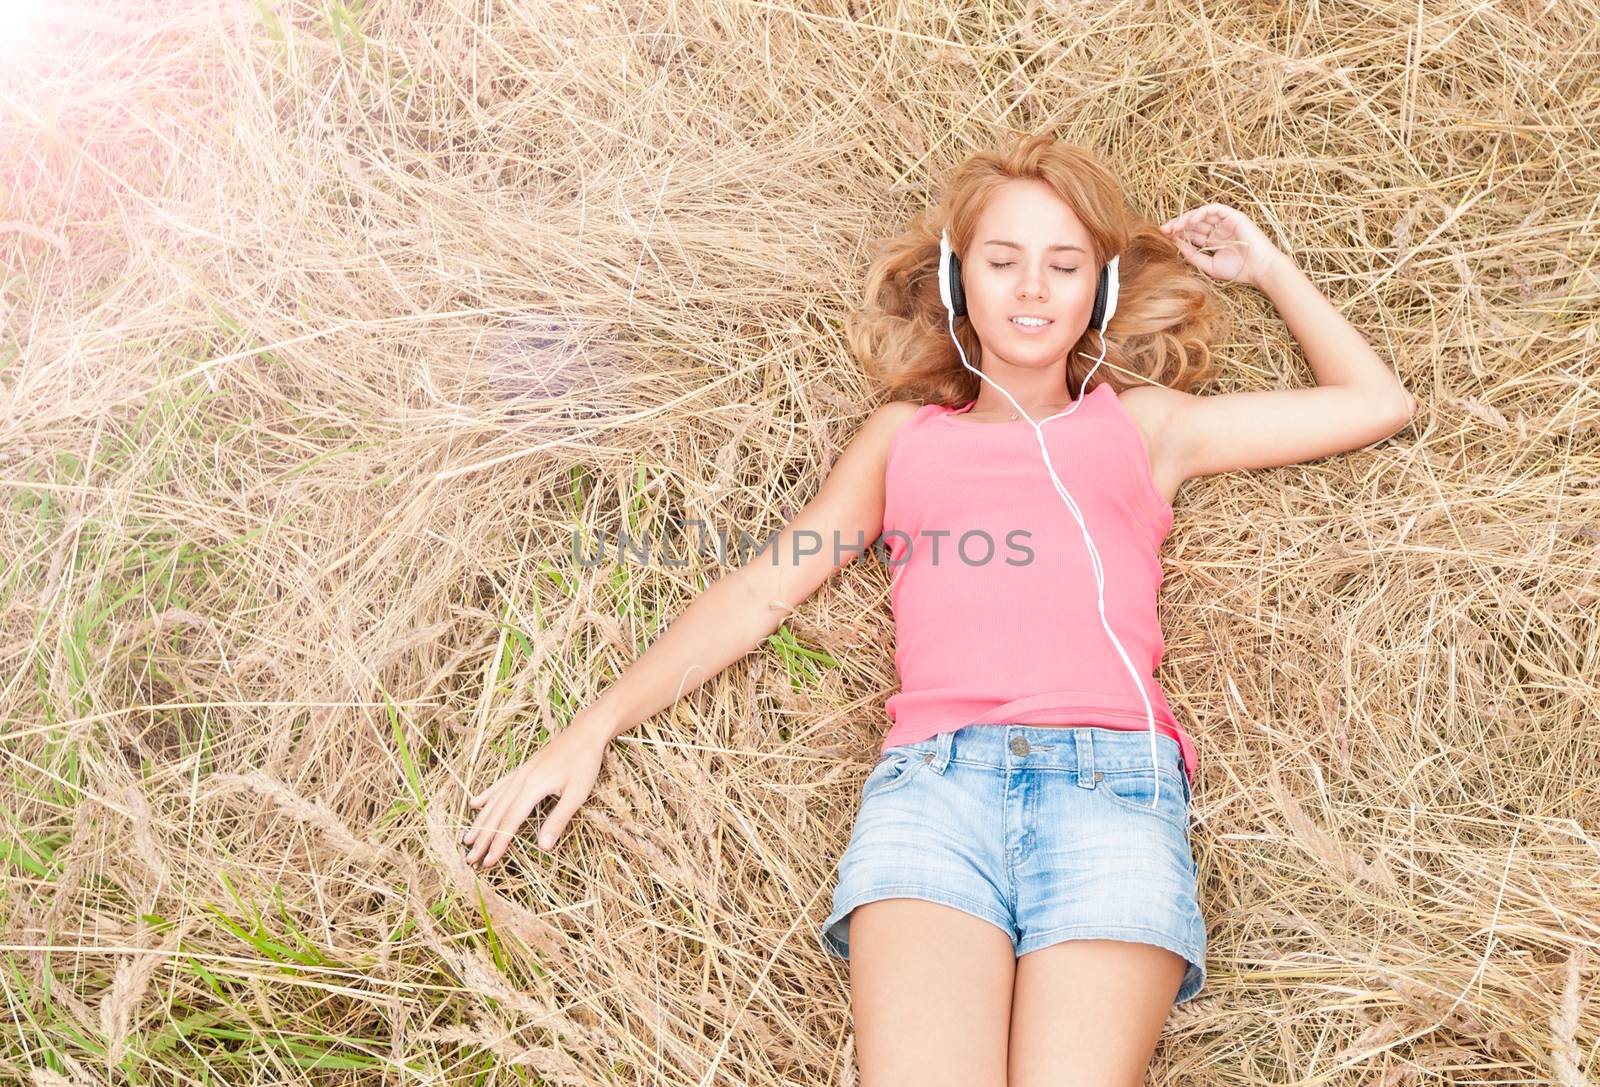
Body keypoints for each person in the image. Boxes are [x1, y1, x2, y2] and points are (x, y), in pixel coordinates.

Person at [461, 134, 1417, 1084]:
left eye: (1064, 265)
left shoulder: (1145, 425)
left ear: (1102, 293)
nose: (1033, 289)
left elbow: (1376, 401)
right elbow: (761, 589)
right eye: (1004, 262)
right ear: (962, 282)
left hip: (1114, 789)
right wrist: (594, 725)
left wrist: (1269, 268)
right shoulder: (900, 440)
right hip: (934, 792)